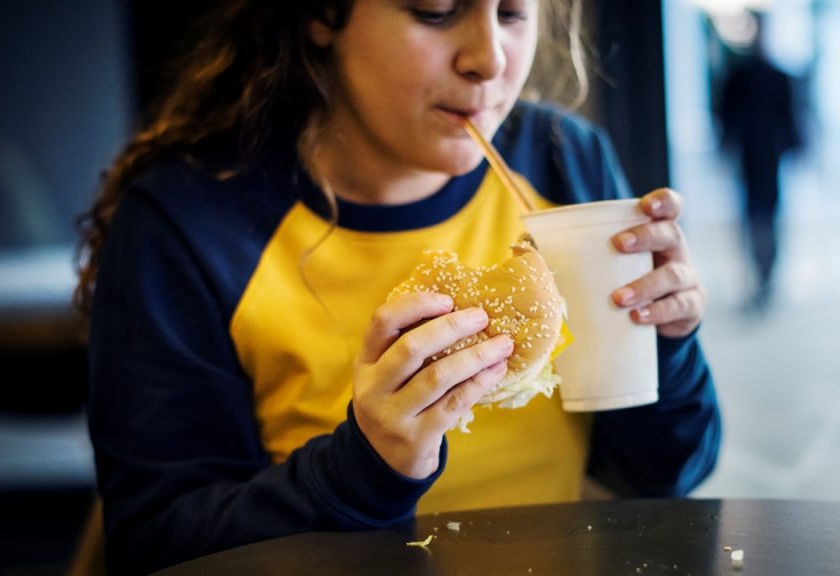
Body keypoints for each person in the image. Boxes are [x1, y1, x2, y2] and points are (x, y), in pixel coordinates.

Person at [74, 1, 721, 574]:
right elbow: (156, 546)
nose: (488, 59)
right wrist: (365, 469)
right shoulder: (186, 221)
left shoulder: (563, 157)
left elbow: (666, 473)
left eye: (514, 13)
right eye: (436, 12)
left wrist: (664, 343)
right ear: (322, 16)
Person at [715, 12, 803, 313]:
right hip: (750, 157)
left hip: (769, 157)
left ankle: (768, 272)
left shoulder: (775, 75)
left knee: (768, 214)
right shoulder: (741, 75)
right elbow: (725, 115)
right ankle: (760, 270)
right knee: (755, 215)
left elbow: (790, 115)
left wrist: (794, 146)